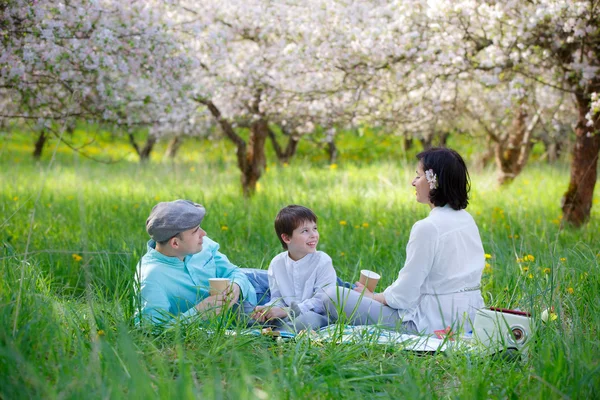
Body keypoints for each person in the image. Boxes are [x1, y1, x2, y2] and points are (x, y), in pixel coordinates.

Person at [325, 148, 485, 334]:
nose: (413, 182)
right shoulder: (466, 219)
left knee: (332, 296)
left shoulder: (428, 227)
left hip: (428, 324)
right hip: (468, 319)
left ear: (434, 182)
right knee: (346, 291)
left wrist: (373, 296)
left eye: (418, 176)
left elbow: (405, 294)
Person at [135, 199, 257, 327]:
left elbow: (234, 272)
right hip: (245, 314)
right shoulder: (151, 277)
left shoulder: (200, 244)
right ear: (175, 243)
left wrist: (236, 286)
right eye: (195, 231)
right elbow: (151, 329)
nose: (204, 234)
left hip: (253, 285)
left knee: (279, 269)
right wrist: (198, 313)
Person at [251, 205, 338, 332]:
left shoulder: (323, 261)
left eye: (315, 228)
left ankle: (279, 331)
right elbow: (277, 298)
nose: (314, 235)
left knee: (304, 321)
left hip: (317, 314)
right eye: (305, 231)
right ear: (286, 238)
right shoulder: (277, 263)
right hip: (286, 314)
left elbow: (321, 302)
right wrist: (268, 309)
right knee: (251, 316)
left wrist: (287, 311)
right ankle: (274, 327)